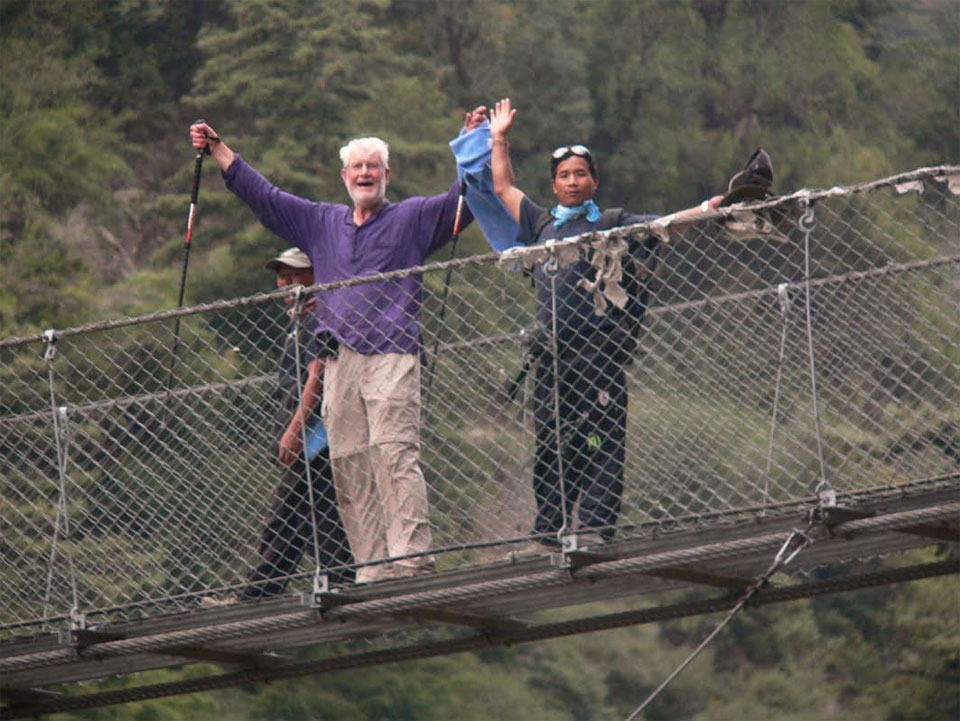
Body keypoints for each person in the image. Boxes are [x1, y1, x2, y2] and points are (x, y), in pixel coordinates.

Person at [190, 114, 482, 582]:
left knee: (394, 452)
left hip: (393, 352)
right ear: (344, 177)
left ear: (387, 175)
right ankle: (371, 567)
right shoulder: (321, 222)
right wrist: (220, 150)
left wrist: (474, 144)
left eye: (373, 167)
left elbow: (464, 203)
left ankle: (411, 559)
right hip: (339, 360)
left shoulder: (411, 218)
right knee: (349, 463)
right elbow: (265, 198)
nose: (365, 174)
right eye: (357, 167)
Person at [486, 98, 723, 552]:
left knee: (601, 441)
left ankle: (594, 528)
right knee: (553, 445)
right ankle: (550, 530)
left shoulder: (614, 224)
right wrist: (498, 139)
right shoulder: (541, 226)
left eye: (580, 174)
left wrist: (713, 205)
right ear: (554, 185)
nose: (572, 182)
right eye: (564, 176)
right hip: (552, 361)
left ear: (594, 181)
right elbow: (502, 187)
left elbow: (669, 224)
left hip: (599, 359)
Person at [203, 247, 354, 608]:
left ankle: (256, 597)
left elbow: (318, 373)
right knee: (317, 518)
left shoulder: (322, 316)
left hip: (316, 438)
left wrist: (294, 430)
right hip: (313, 439)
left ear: (316, 276)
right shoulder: (298, 320)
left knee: (286, 518)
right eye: (282, 276)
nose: (287, 282)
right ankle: (342, 583)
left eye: (296, 274)